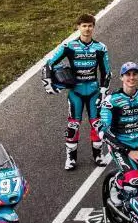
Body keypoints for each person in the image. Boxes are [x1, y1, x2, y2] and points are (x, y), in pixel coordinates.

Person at [42, 14, 111, 170]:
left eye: (90, 25)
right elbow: (49, 64)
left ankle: (98, 155)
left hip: (94, 92)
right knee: (73, 125)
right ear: (78, 27)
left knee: (97, 124)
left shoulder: (100, 48)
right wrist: (48, 84)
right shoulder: (69, 46)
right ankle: (71, 158)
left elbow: (106, 72)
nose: (87, 29)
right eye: (84, 26)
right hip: (76, 92)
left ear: (94, 27)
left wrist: (103, 91)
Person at [100, 62, 138, 208]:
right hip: (120, 147)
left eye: (135, 74)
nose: (131, 78)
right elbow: (103, 132)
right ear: (121, 77)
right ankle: (116, 183)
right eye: (128, 74)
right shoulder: (111, 100)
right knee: (134, 181)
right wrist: (128, 151)